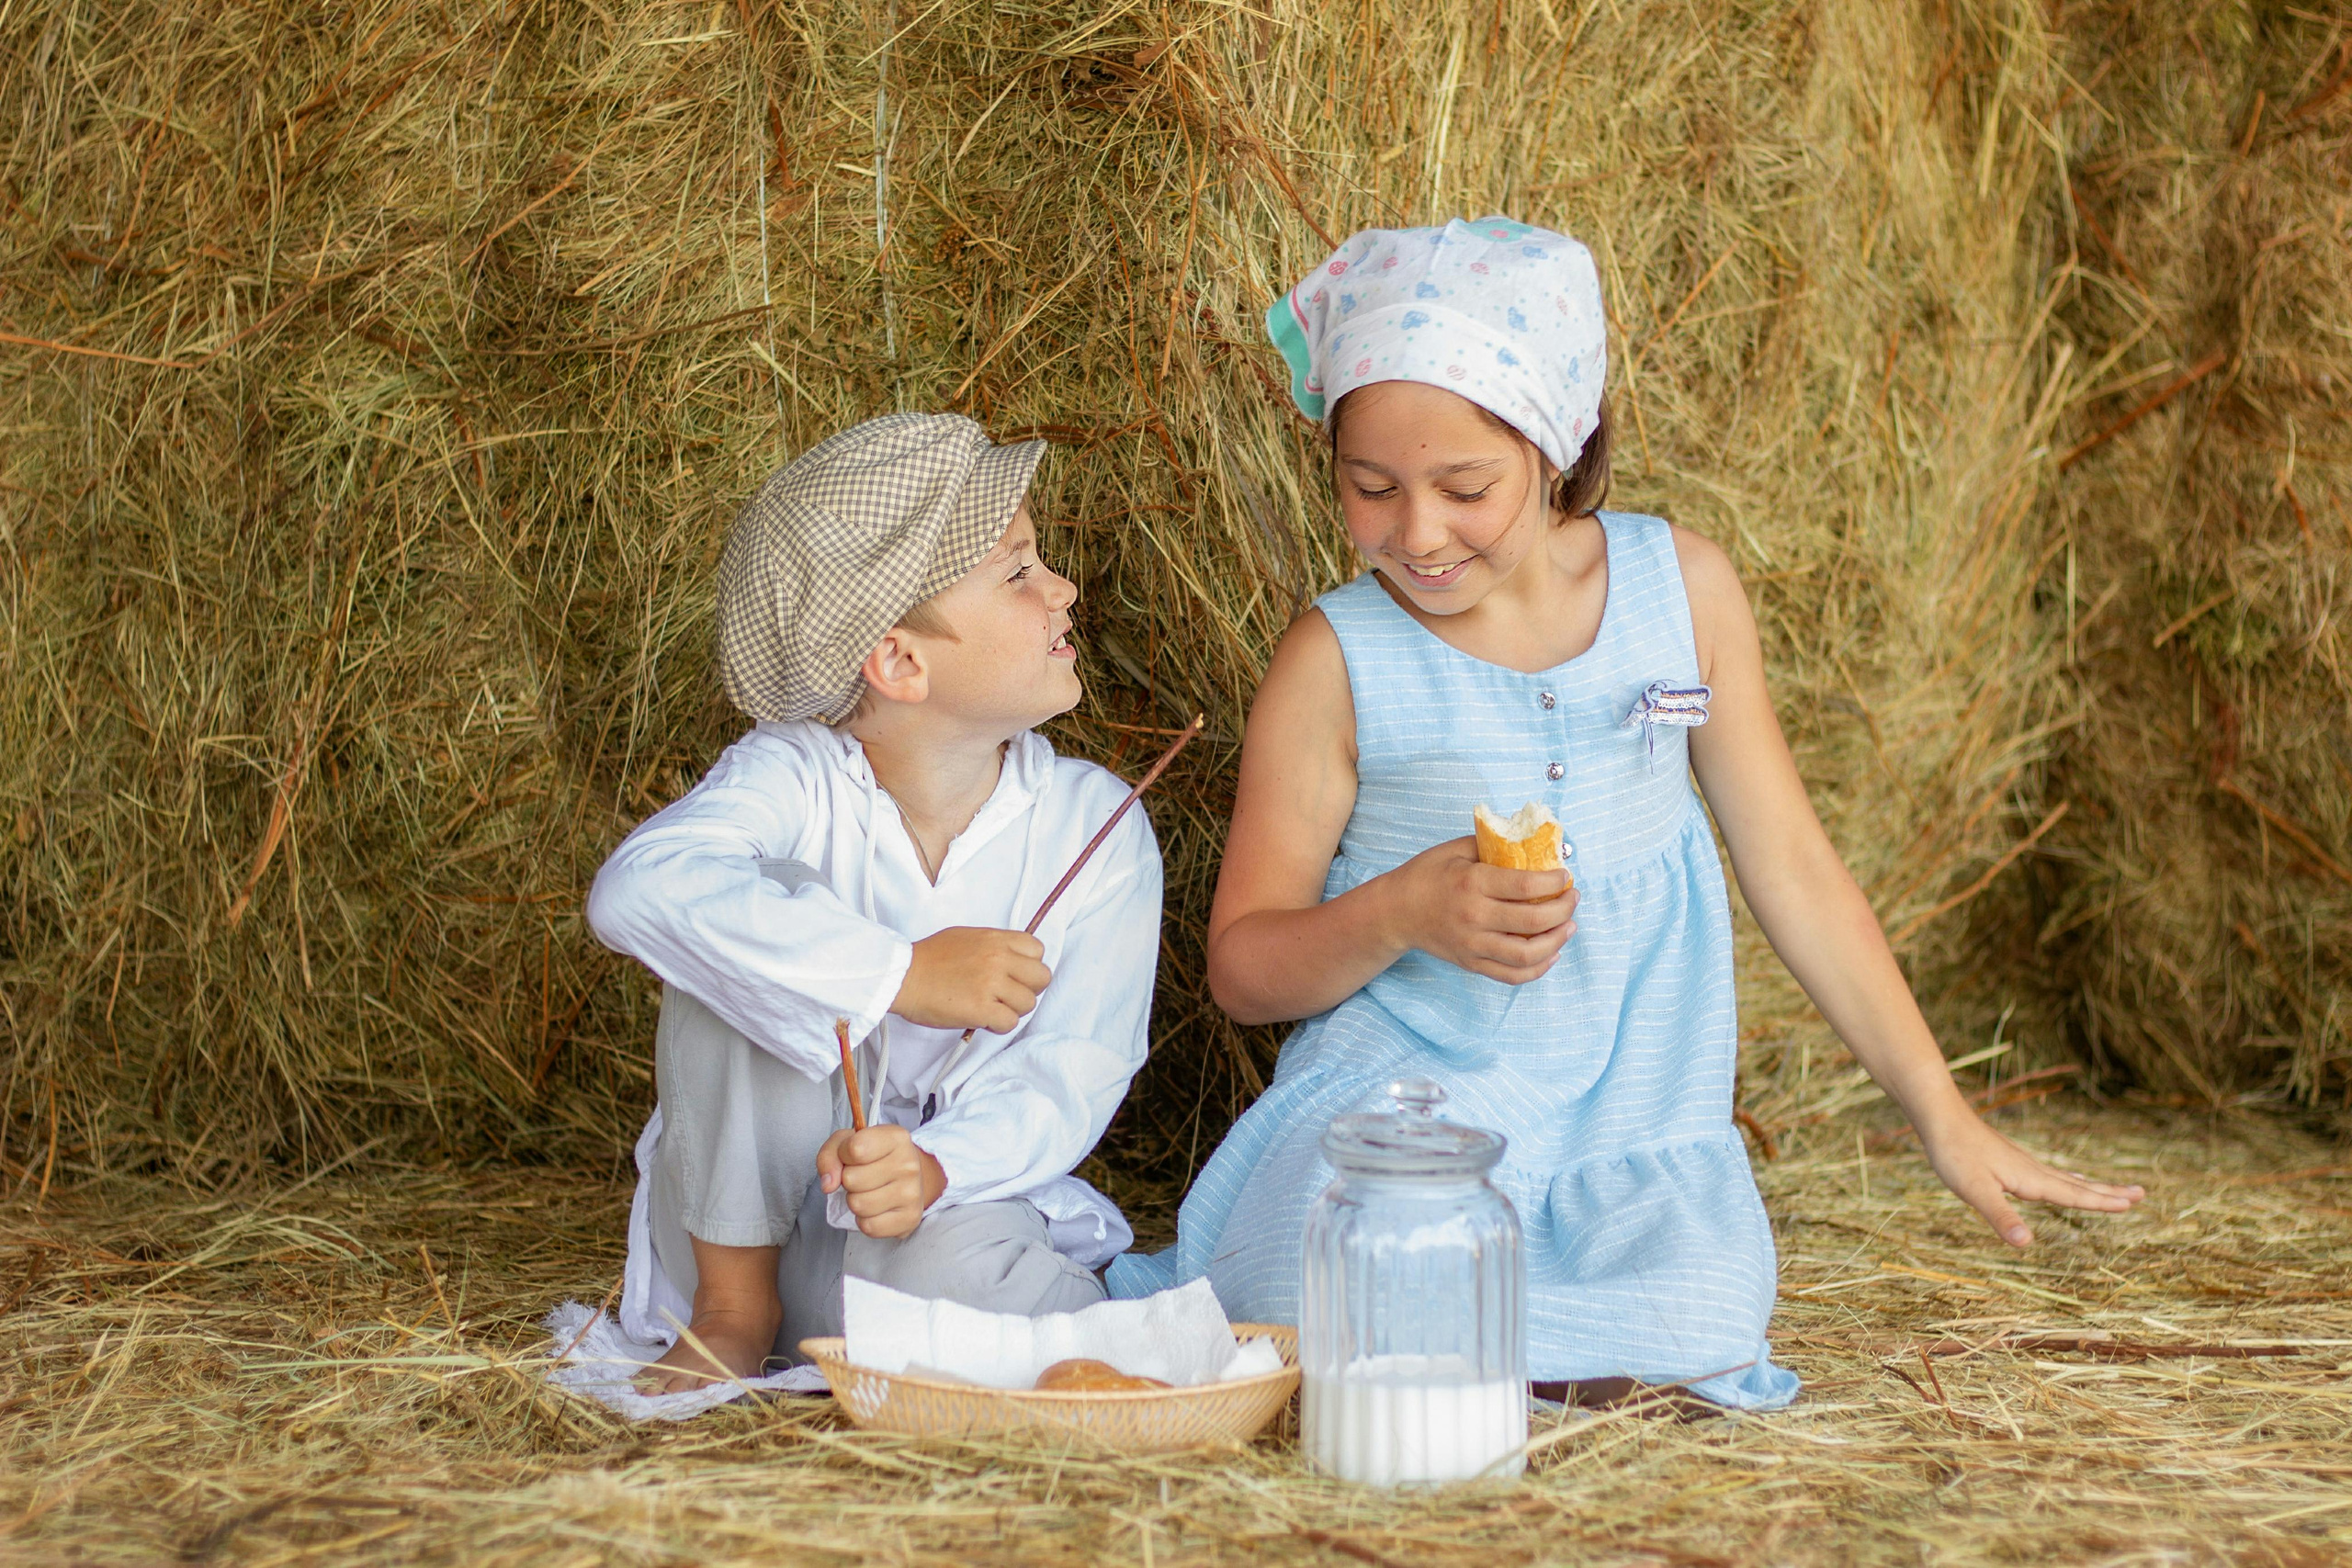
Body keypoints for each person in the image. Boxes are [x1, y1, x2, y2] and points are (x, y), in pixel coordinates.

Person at [1106, 218, 2141, 1408]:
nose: (1419, 533)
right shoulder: (1337, 660)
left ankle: (1490, 1349)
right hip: (1406, 1125)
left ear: (1557, 447)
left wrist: (1942, 1111)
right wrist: (1401, 908)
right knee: (1332, 1268)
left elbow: (1793, 864)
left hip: (1624, 1127)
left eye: (1466, 487)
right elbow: (1243, 969)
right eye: (1371, 487)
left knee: (1703, 1308)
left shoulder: (1679, 590)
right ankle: (1465, 1345)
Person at [588, 413, 1161, 1395]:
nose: (1062, 587)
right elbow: (638, 890)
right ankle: (734, 1313)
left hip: (921, 1240)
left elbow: (1074, 1067)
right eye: (1017, 571)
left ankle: (1025, 1337)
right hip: (758, 1241)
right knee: (746, 920)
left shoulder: (1094, 824)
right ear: (899, 663)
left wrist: (935, 1166)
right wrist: (900, 974)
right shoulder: (795, 780)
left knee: (959, 1279)